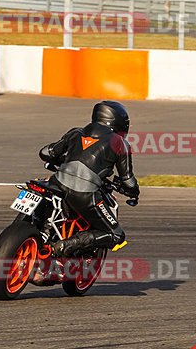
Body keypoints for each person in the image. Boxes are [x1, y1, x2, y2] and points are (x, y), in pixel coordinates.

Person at [39, 100, 140, 257]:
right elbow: (127, 180)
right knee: (117, 236)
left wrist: (61, 159)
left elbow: (46, 152)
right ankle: (65, 245)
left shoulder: (76, 132)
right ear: (120, 122)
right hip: (84, 194)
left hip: (56, 183)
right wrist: (134, 192)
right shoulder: (120, 143)